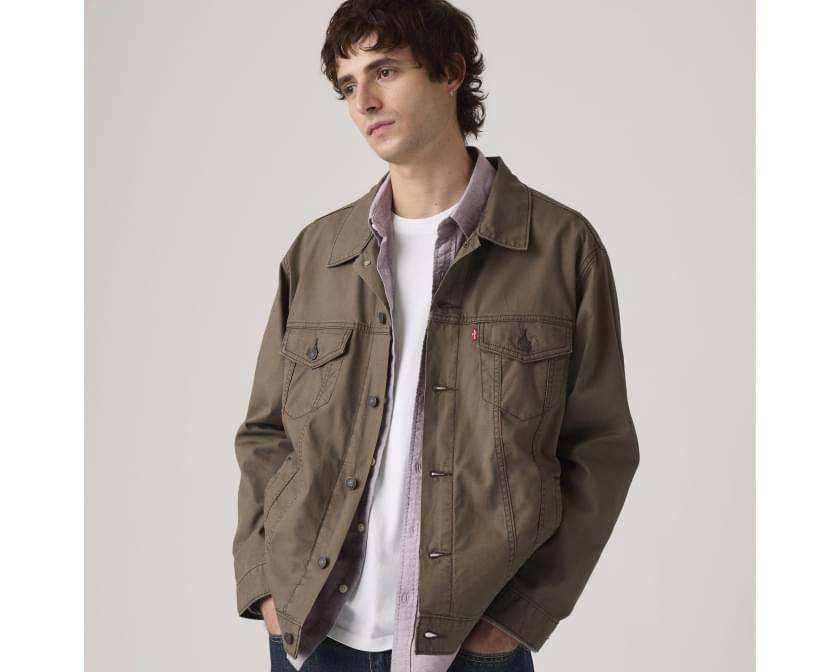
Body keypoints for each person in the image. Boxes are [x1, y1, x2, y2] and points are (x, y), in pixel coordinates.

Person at [232, 1, 640, 671]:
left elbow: (601, 449)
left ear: (451, 72)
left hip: (470, 648)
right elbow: (266, 434)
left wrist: (517, 618)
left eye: (385, 71)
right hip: (313, 639)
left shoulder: (559, 248)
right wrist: (267, 589)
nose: (364, 101)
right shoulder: (318, 253)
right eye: (347, 85)